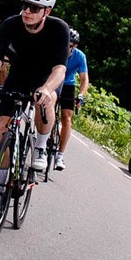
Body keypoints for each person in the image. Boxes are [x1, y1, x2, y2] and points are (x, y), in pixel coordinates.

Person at [0, 0, 78, 175]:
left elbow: (60, 69)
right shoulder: (11, 24)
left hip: (46, 78)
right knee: (3, 128)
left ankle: (40, 146)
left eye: (34, 8)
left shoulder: (59, 28)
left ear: (46, 12)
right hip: (20, 74)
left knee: (47, 100)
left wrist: (48, 89)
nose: (27, 11)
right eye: (25, 5)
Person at [54, 33, 90, 171]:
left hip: (68, 84)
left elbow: (84, 79)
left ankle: (60, 155)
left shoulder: (80, 56)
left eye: (70, 46)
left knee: (67, 117)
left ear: (75, 46)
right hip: (54, 80)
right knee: (47, 106)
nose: (67, 48)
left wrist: (81, 95)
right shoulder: (56, 49)